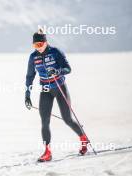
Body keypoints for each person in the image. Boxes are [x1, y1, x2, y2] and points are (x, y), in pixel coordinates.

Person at [25, 29, 88, 162]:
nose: (39, 48)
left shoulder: (55, 52)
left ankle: (83, 138)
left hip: (60, 88)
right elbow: (30, 76)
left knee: (67, 119)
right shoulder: (33, 57)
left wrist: (57, 71)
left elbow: (68, 68)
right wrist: (27, 94)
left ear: (46, 42)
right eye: (35, 45)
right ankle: (47, 152)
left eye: (40, 44)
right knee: (45, 121)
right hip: (46, 90)